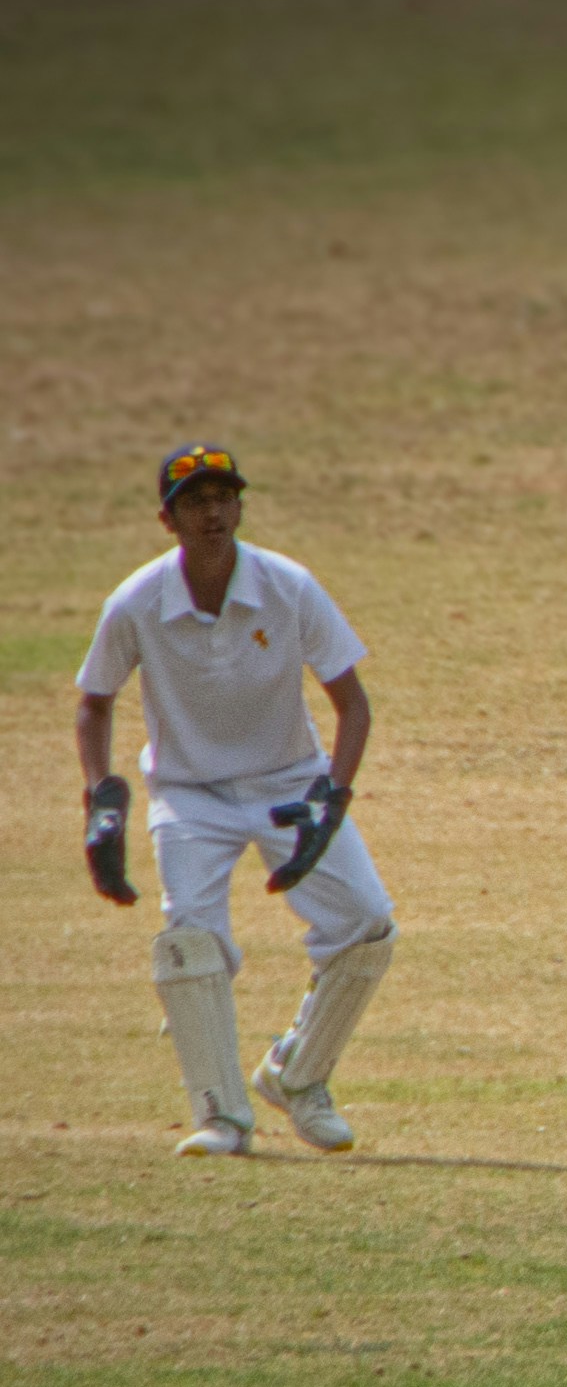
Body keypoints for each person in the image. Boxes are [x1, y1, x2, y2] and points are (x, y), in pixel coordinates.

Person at [74, 444, 398, 1157]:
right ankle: (221, 1114)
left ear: (240, 507)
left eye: (224, 497)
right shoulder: (137, 600)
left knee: (368, 925)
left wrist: (331, 795)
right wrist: (101, 795)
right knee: (190, 941)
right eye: (195, 500)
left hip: (290, 782)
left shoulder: (289, 586)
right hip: (190, 792)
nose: (213, 512)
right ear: (167, 518)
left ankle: (297, 1074)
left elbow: (353, 704)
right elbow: (94, 702)